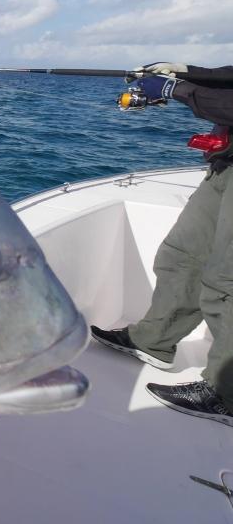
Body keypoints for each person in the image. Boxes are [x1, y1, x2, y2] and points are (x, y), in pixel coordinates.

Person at [90, 61, 233, 428]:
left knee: (226, 280)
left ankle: (226, 395)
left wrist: (174, 90)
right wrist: (183, 71)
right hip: (227, 164)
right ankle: (152, 340)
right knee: (183, 255)